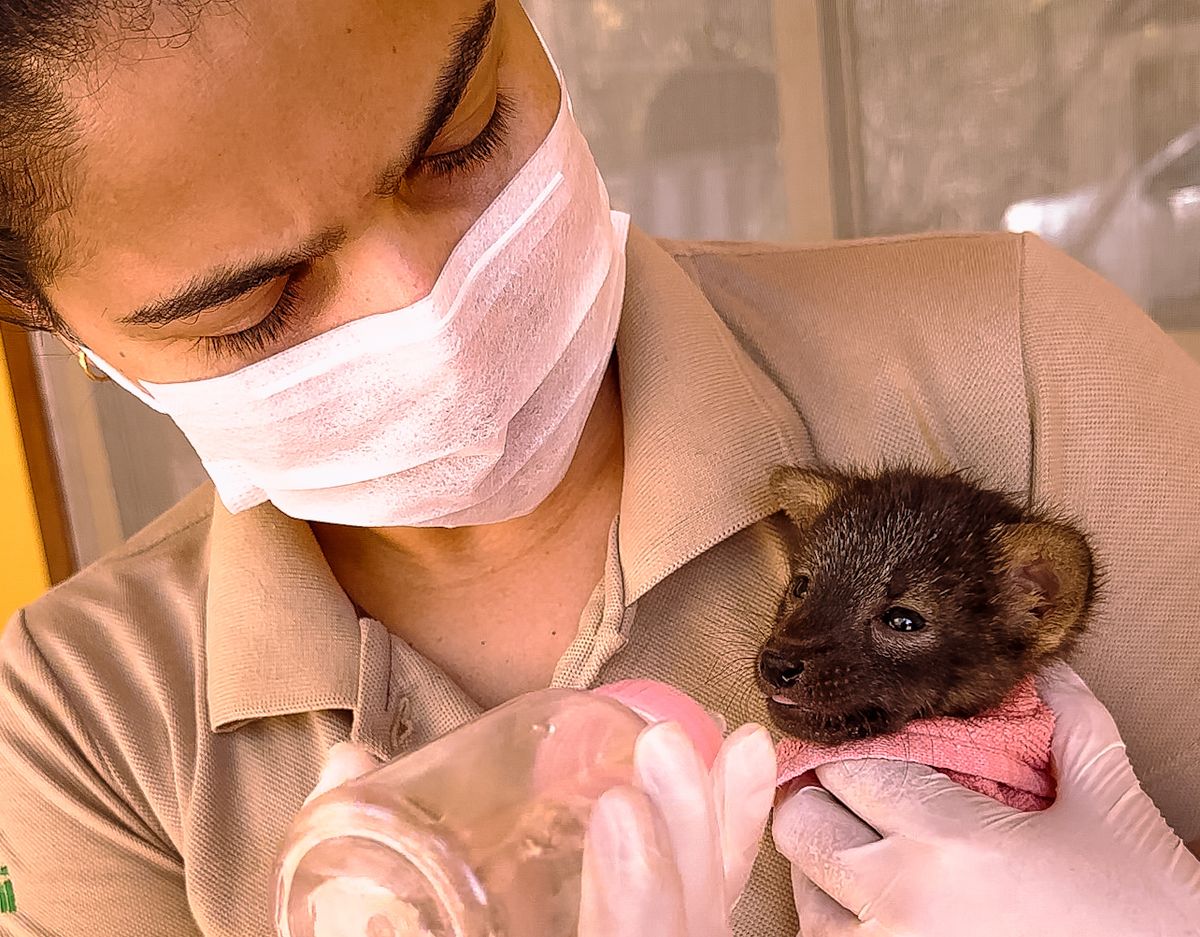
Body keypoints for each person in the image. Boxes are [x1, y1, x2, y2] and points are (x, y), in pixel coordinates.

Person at [0, 2, 1196, 935]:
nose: (432, 306)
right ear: (48, 317)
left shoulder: (1021, 359)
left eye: (462, 132)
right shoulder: (85, 718)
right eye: (253, 304)